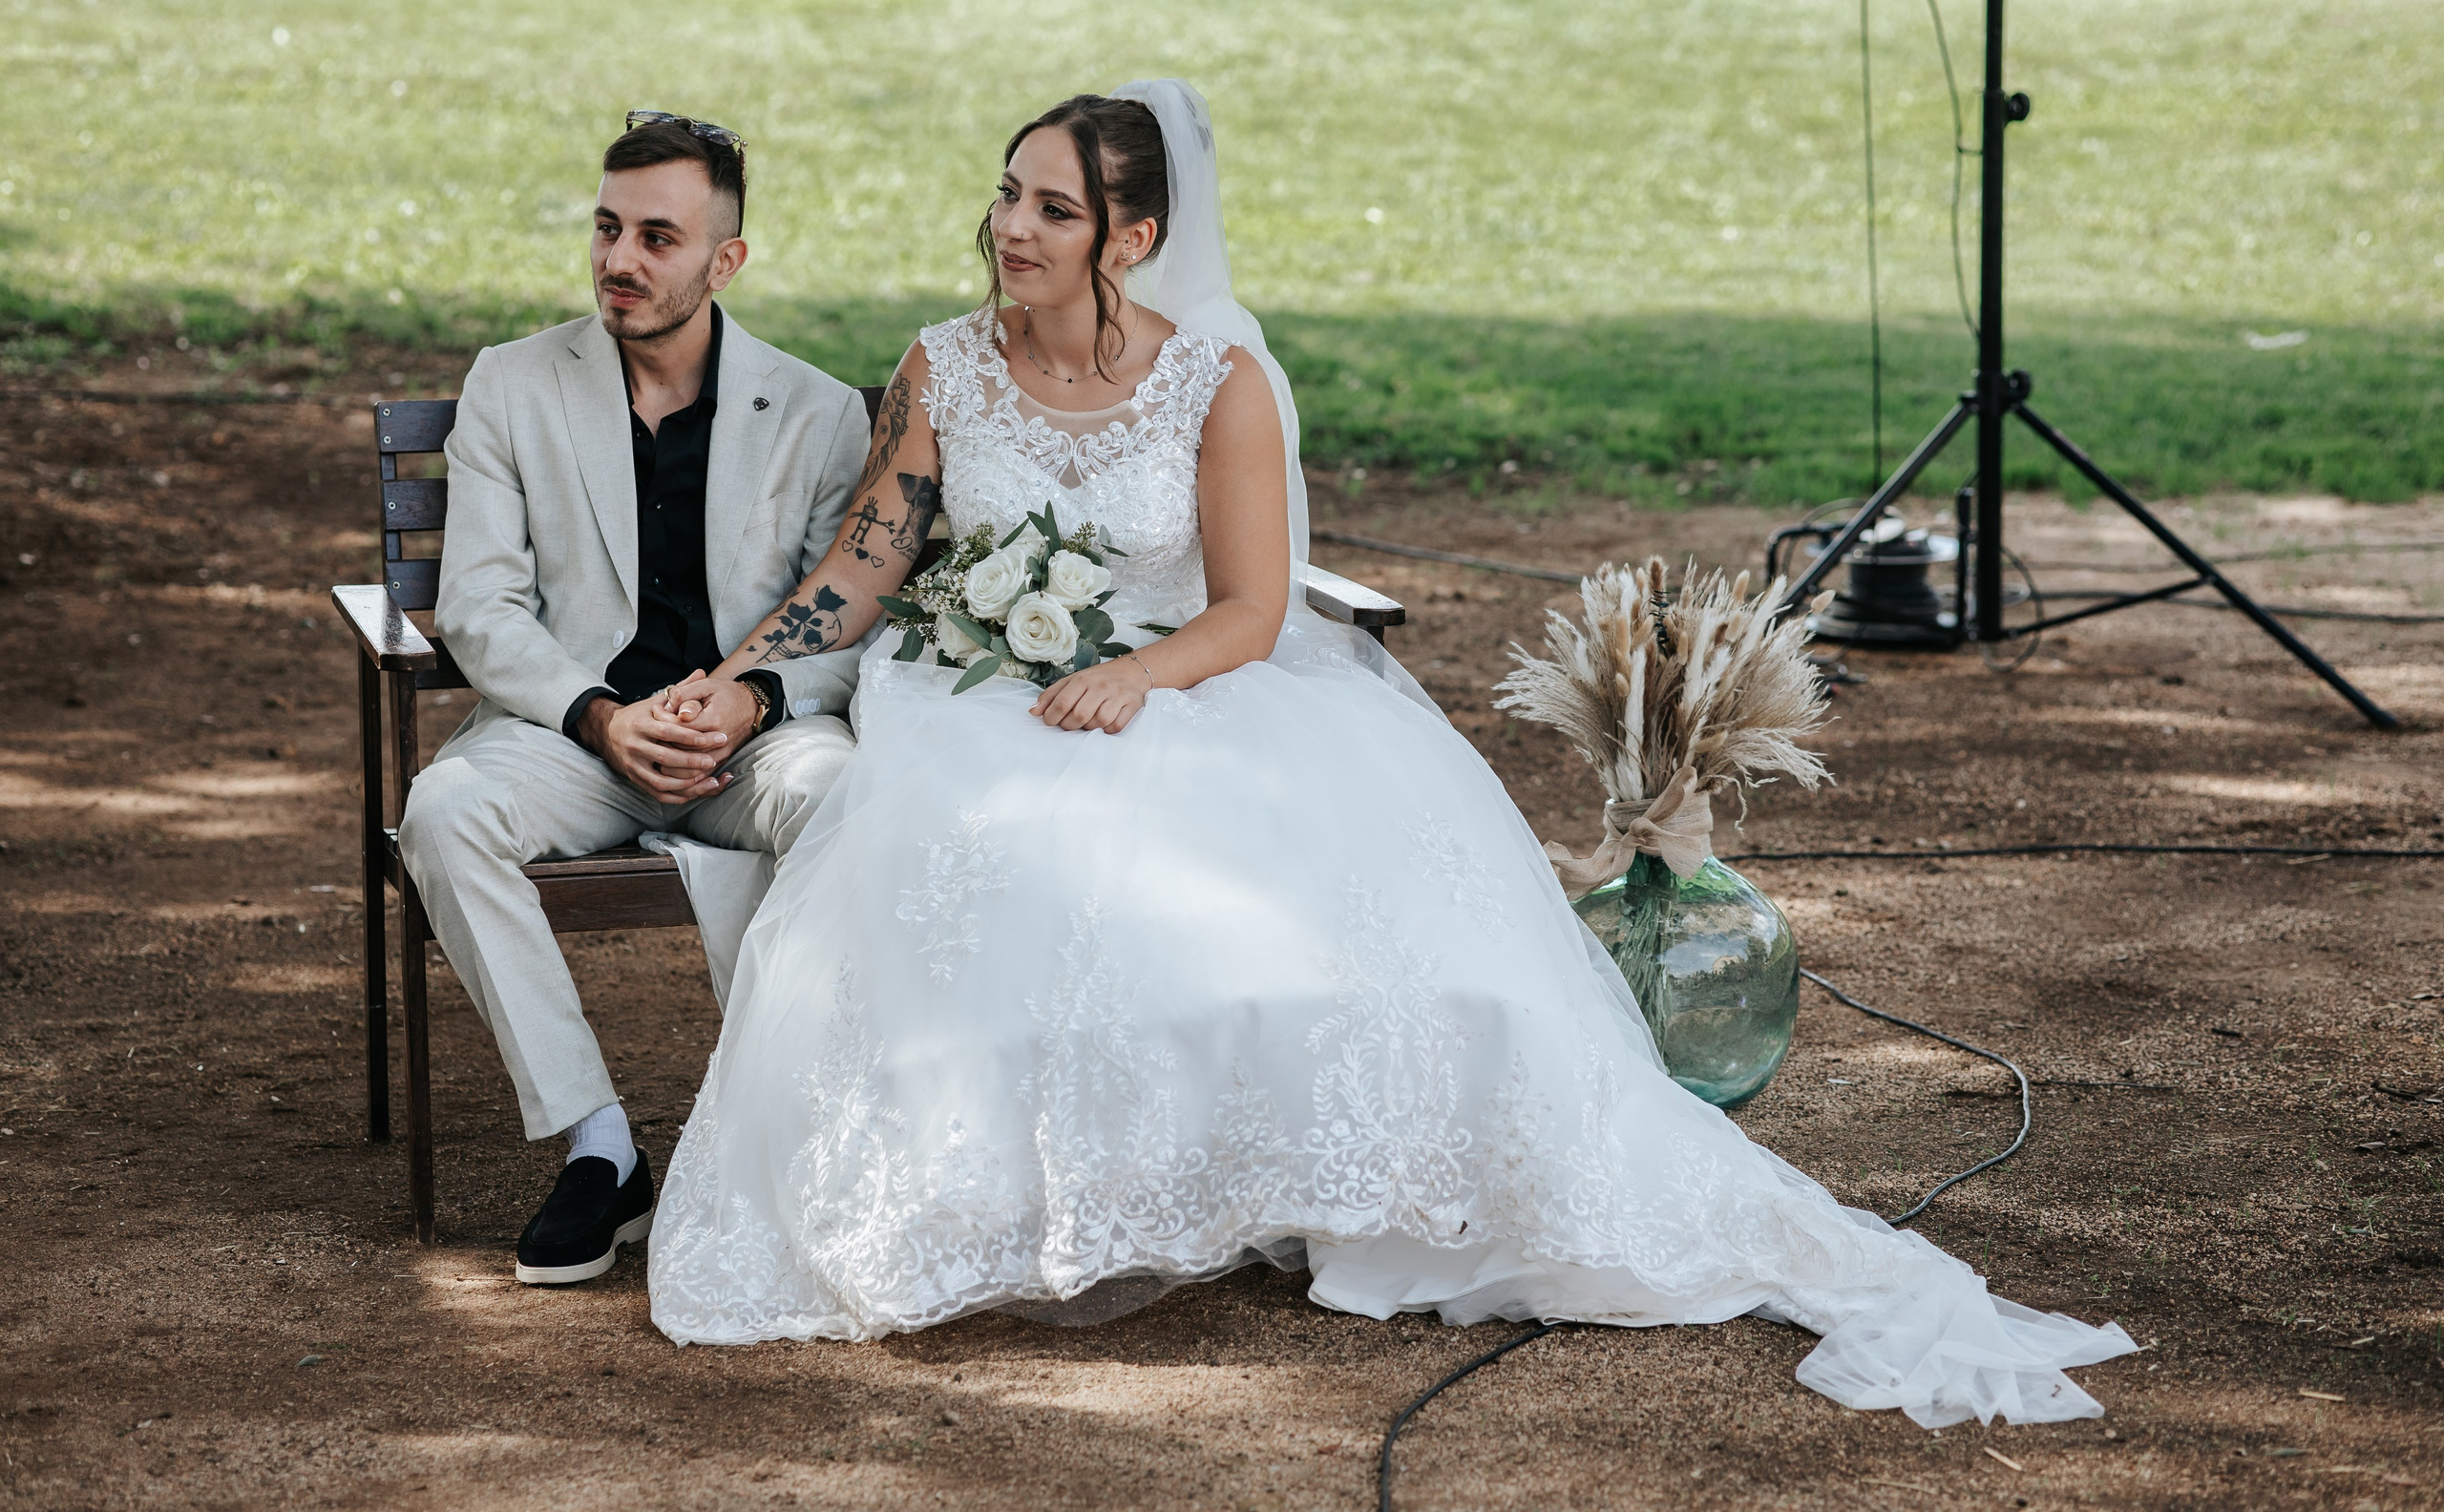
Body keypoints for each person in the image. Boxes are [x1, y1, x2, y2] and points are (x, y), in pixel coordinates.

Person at [641, 82, 2137, 1427]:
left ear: (1135, 237)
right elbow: (865, 561)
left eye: (1053, 207)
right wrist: (742, 679)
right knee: (967, 841)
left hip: (1184, 681)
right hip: (976, 696)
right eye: (1006, 193)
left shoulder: (1215, 378)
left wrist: (1132, 676)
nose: (1009, 227)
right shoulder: (945, 366)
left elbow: (1252, 607)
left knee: (1324, 901)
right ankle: (983, 1192)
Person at [397, 113, 916, 1287]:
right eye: (606, 227)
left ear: (725, 260)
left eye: (657, 237)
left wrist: (757, 699)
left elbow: (850, 620)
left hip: (751, 744)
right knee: (444, 811)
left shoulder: (819, 411)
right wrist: (598, 715)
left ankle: (799, 1136)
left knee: (843, 797)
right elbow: (478, 604)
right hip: (574, 738)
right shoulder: (512, 383)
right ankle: (598, 1149)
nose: (618, 260)